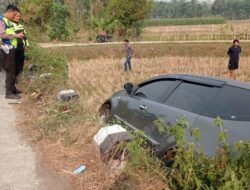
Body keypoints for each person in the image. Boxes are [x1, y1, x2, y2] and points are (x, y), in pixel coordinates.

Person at [0, 4, 24, 99]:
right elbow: (2, 34)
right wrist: (16, 36)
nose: (14, 16)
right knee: (10, 70)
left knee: (13, 69)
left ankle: (12, 88)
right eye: (13, 14)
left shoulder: (8, 21)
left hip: (12, 48)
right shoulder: (2, 21)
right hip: (7, 49)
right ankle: (9, 93)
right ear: (9, 12)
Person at [12, 10, 29, 82]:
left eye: (19, 16)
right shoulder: (10, 26)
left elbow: (25, 36)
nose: (18, 18)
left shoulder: (21, 26)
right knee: (16, 62)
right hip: (14, 47)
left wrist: (26, 44)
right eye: (17, 16)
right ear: (13, 17)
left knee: (21, 61)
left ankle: (19, 76)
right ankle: (15, 78)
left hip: (21, 46)